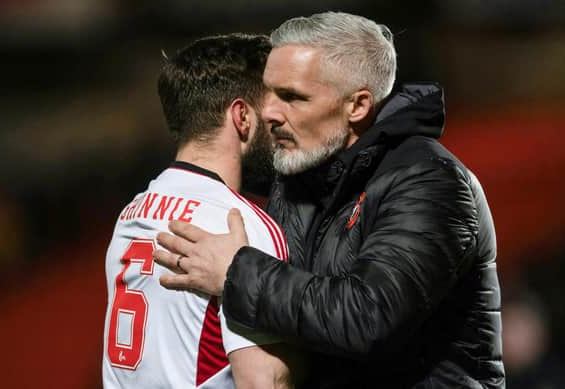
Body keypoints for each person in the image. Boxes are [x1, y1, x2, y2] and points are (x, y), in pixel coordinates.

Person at [153, 12, 505, 388]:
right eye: (268, 91)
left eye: (291, 97)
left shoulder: (429, 180)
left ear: (357, 106)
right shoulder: (300, 172)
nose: (268, 112)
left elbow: (369, 317)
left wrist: (235, 273)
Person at [102, 33, 301, 388]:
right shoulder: (241, 225)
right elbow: (263, 382)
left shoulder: (130, 215)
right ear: (242, 116)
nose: (277, 123)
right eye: (270, 109)